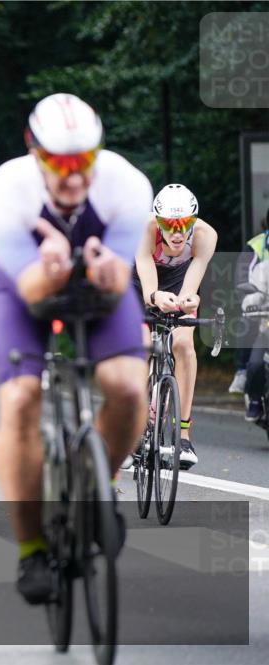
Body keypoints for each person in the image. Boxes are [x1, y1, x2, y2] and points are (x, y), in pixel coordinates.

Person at [0, 93, 152, 605]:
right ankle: (32, 548)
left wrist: (106, 269)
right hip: (17, 284)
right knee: (21, 399)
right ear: (35, 152)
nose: (74, 178)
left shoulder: (126, 184)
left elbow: (116, 283)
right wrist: (52, 263)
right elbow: (34, 293)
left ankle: (100, 487)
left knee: (127, 387)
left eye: (85, 161)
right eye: (59, 163)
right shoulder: (5, 192)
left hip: (93, 280)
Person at [132, 184, 217, 470]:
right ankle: (133, 426)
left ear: (194, 221)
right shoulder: (143, 229)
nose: (178, 232)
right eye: (170, 224)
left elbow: (190, 287)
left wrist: (189, 300)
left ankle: (184, 437)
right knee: (142, 345)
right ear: (159, 221)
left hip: (178, 279)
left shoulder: (205, 236)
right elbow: (148, 287)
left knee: (183, 345)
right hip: (141, 281)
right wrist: (155, 297)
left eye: (185, 224)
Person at [240, 207, 269, 420]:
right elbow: (248, 284)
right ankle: (256, 399)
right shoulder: (258, 249)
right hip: (265, 318)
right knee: (256, 364)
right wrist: (250, 303)